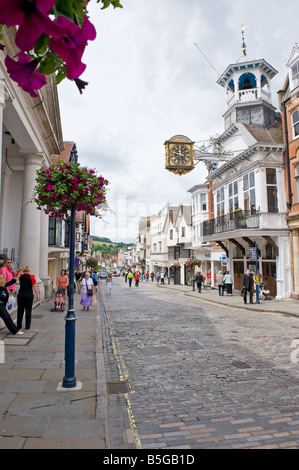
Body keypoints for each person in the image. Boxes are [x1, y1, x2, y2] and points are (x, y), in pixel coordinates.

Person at [17, 266, 39, 330]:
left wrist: (20, 269)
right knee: (28, 310)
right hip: (29, 294)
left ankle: (19, 325)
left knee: (20, 310)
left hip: (21, 294)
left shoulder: (20, 276)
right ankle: (27, 326)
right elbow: (34, 286)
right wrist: (37, 294)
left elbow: (15, 273)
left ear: (23, 271)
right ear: (29, 271)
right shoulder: (32, 277)